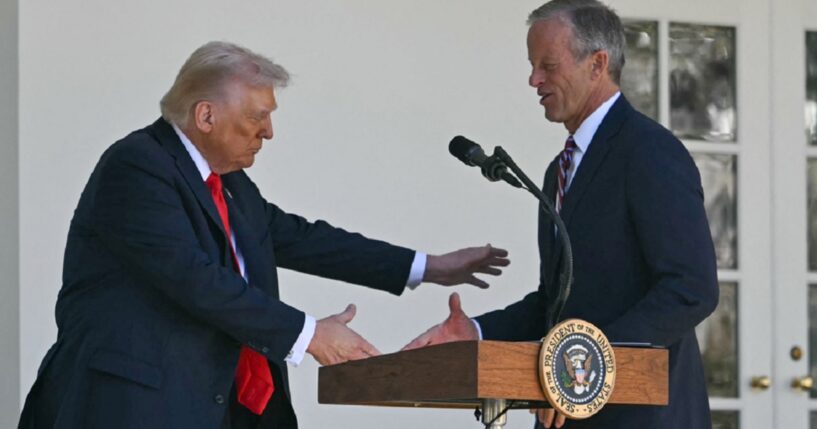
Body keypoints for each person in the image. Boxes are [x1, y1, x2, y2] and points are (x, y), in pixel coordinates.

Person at [18, 41, 510, 429]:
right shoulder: (137, 167)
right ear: (206, 115)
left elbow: (299, 237)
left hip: (221, 409)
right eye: (258, 116)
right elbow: (196, 279)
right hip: (132, 410)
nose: (269, 131)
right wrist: (311, 334)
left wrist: (428, 266)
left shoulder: (228, 182)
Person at [403, 1, 719, 428]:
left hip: (642, 417)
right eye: (533, 66)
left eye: (548, 66)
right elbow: (556, 306)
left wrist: (581, 368)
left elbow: (691, 289)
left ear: (597, 64)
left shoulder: (650, 152)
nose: (534, 80)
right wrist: (475, 334)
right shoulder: (559, 171)